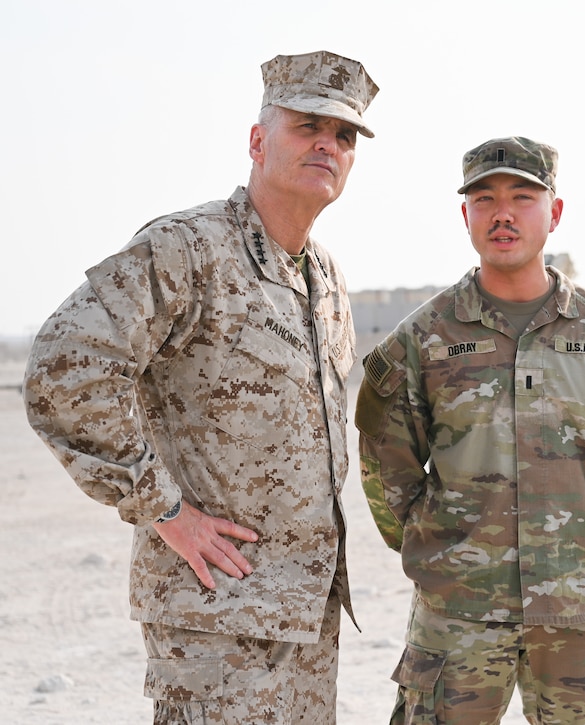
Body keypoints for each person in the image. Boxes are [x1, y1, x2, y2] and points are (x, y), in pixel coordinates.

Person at [22, 50, 378, 723]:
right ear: (257, 140)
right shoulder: (188, 248)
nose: (327, 145)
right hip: (215, 621)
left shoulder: (322, 277)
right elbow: (64, 368)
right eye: (307, 126)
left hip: (305, 624)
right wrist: (162, 507)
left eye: (344, 136)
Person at [355, 136, 585, 724]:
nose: (503, 213)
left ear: (555, 212)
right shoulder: (423, 339)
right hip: (458, 615)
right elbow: (384, 461)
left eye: (523, 197)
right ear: (465, 215)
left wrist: (579, 541)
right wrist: (442, 547)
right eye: (485, 199)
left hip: (576, 613)